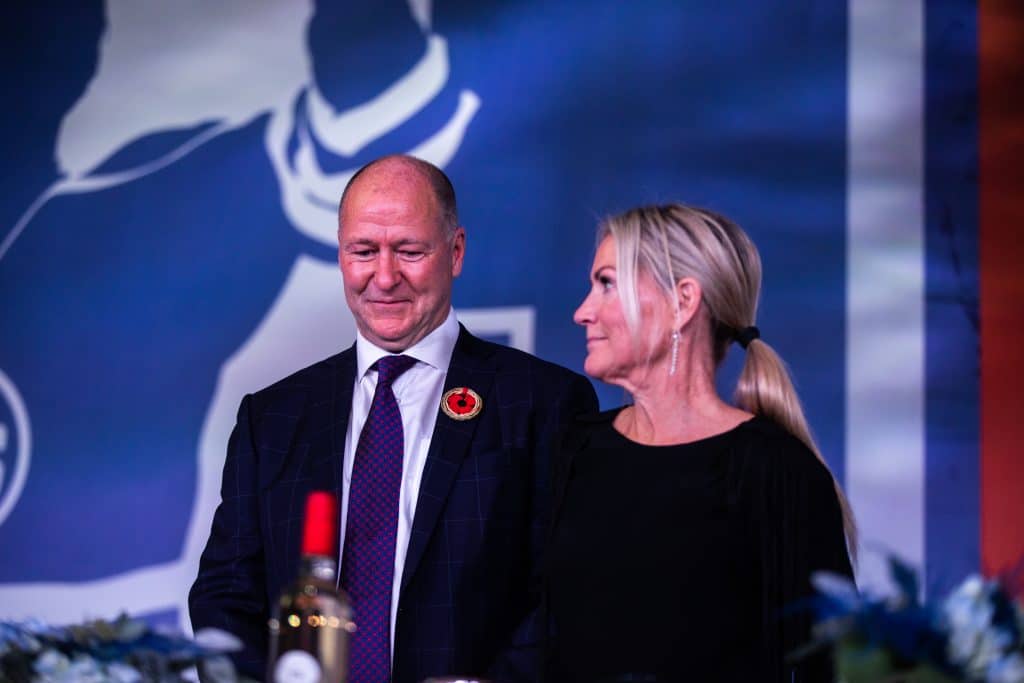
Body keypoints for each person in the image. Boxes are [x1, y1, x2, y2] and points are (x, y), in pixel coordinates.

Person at [189, 155, 598, 683]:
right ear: (341, 255)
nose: (384, 277)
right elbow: (224, 596)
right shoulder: (271, 419)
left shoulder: (543, 402)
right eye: (364, 251)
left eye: (409, 251)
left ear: (455, 252)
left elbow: (564, 596)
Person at [545, 204, 856, 682]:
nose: (582, 312)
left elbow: (834, 664)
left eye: (606, 284)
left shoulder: (776, 471)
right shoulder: (572, 450)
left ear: (683, 302)